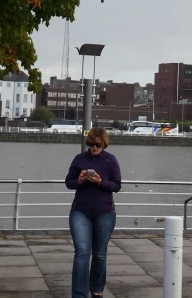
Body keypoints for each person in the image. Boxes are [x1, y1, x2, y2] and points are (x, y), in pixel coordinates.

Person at [64, 128, 122, 298]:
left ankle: (96, 290)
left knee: (99, 253)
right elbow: (68, 182)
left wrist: (100, 182)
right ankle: (79, 294)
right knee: (82, 251)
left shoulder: (111, 160)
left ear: (104, 144)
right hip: (80, 211)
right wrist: (80, 180)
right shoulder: (79, 159)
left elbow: (117, 186)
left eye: (98, 145)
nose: (95, 147)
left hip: (105, 212)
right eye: (91, 144)